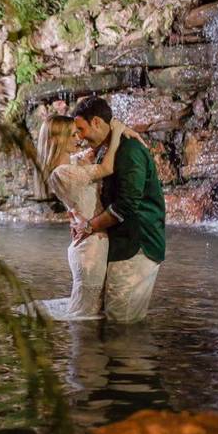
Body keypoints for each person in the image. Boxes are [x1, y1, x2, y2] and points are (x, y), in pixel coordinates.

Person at [22, 113, 144, 320]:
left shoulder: (71, 163)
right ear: (56, 140)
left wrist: (122, 131)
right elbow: (107, 167)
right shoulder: (63, 173)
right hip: (90, 249)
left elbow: (95, 149)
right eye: (72, 134)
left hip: (92, 242)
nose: (78, 138)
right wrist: (116, 135)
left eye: (78, 132)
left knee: (91, 311)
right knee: (85, 317)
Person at [71, 97, 165, 323]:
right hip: (121, 244)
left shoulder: (130, 151)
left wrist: (89, 226)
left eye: (81, 129)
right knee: (112, 318)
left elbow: (127, 205)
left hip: (137, 245)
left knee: (121, 321)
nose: (80, 137)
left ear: (96, 122)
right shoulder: (106, 149)